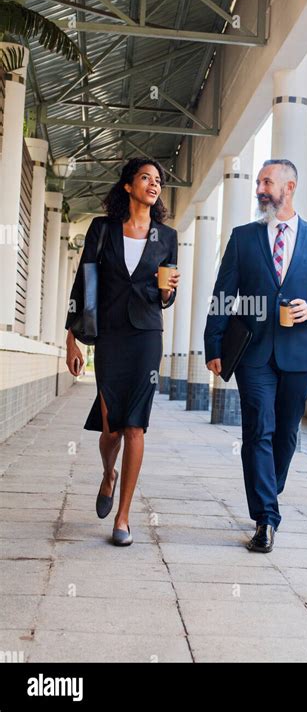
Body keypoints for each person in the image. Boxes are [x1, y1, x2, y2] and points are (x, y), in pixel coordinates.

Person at [204, 159, 307, 553]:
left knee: (286, 433)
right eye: (259, 182)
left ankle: (269, 488)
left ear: (290, 187)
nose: (260, 189)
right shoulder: (243, 237)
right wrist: (213, 345)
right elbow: (223, 294)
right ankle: (266, 517)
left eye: (267, 182)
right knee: (258, 430)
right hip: (252, 353)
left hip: (299, 355)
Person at [65, 158, 180, 546]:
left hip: (147, 333)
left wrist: (168, 291)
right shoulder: (102, 229)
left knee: (135, 424)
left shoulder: (166, 237)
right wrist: (71, 338)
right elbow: (84, 283)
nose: (154, 184)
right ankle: (108, 473)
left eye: (158, 180)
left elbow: (168, 295)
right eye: (145, 177)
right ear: (128, 186)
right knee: (111, 425)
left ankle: (124, 516)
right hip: (111, 335)